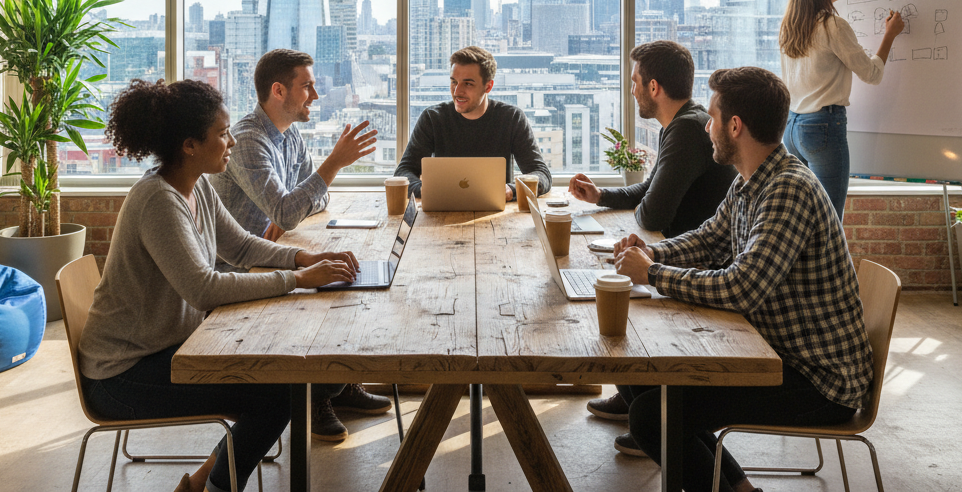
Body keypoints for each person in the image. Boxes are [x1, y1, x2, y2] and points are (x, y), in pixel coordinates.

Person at [79, 78, 361, 492]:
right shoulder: (158, 201)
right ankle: (213, 487)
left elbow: (244, 247)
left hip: (166, 350)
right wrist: (297, 280)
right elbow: (204, 289)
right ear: (190, 145)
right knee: (280, 393)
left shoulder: (197, 187)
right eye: (223, 133)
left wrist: (305, 258)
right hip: (122, 376)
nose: (231, 141)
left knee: (284, 384)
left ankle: (202, 483)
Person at [610, 66, 873, 492]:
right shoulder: (753, 180)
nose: (707, 128)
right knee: (641, 376)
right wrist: (651, 252)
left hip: (817, 380)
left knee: (651, 416)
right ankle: (740, 487)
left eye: (712, 118)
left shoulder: (788, 189)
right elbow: (709, 239)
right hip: (777, 353)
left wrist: (654, 273)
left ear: (735, 126)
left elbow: (741, 287)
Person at [210, 49, 391, 442]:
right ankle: (315, 396)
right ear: (278, 90)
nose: (316, 95)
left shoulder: (288, 135)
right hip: (240, 268)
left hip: (270, 252)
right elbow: (296, 204)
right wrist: (334, 163)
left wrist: (285, 211)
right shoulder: (247, 141)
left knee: (350, 277)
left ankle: (338, 387)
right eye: (307, 86)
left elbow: (312, 200)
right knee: (330, 289)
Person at [569, 40, 737, 424]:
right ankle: (638, 397)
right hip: (684, 251)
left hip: (700, 263)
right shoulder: (680, 124)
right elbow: (650, 191)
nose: (631, 91)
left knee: (616, 290)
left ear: (654, 87)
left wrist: (643, 208)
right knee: (616, 278)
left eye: (634, 82)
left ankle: (648, 406)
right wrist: (601, 195)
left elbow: (653, 211)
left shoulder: (687, 131)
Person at [778, 0, 904, 219]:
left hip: (792, 128)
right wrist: (889, 35)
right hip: (822, 127)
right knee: (830, 220)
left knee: (804, 217)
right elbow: (871, 73)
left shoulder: (789, 26)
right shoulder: (833, 25)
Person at [395, 45, 551, 202]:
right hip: (443, 211)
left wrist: (511, 189)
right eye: (454, 82)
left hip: (497, 214)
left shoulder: (511, 118)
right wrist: (423, 189)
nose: (457, 91)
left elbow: (541, 174)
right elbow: (403, 172)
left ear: (488, 86)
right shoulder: (432, 118)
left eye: (468, 84)